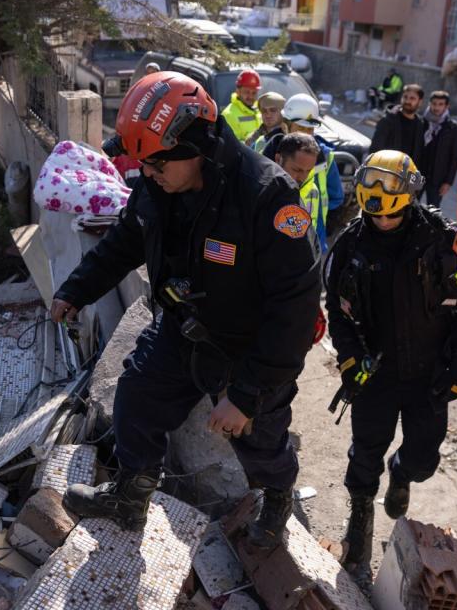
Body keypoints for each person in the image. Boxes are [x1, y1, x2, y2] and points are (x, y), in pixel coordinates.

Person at [51, 72, 321, 548]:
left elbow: (295, 309)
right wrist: (76, 290)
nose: (148, 173)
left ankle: (277, 498)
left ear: (194, 146)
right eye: (144, 165)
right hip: (182, 328)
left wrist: (245, 393)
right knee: (136, 398)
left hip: (246, 348)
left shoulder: (267, 196)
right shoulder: (158, 184)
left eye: (155, 164)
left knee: (261, 440)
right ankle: (130, 500)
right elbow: (125, 240)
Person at [324, 149, 457, 584]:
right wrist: (349, 357)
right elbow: (336, 311)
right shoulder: (349, 245)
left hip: (429, 375)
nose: (379, 198)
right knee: (364, 453)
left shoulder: (444, 238)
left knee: (422, 459)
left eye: (389, 185)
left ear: (410, 190)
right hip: (374, 374)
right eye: (371, 182)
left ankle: (402, 473)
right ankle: (359, 521)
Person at [264, 94, 344, 252]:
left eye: (310, 129)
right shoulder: (264, 146)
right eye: (301, 128)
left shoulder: (325, 156)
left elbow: (336, 197)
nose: (307, 134)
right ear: (286, 125)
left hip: (313, 243)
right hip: (271, 240)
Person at [418, 90, 457, 209]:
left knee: (433, 212)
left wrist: (448, 182)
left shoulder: (453, 127)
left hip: (438, 179)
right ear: (429, 104)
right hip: (418, 174)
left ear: (446, 106)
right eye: (434, 103)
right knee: (410, 207)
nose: (437, 107)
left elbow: (455, 156)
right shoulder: (421, 122)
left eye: (440, 104)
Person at [368, 83, 426, 164]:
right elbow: (375, 151)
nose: (407, 101)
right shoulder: (388, 121)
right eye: (405, 97)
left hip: (407, 174)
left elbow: (418, 155)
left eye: (412, 98)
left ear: (420, 102)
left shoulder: (420, 125)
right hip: (387, 171)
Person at [220, 68, 262, 143]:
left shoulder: (260, 110)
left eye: (254, 93)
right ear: (238, 91)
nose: (251, 96)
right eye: (247, 92)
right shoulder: (229, 114)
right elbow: (231, 145)